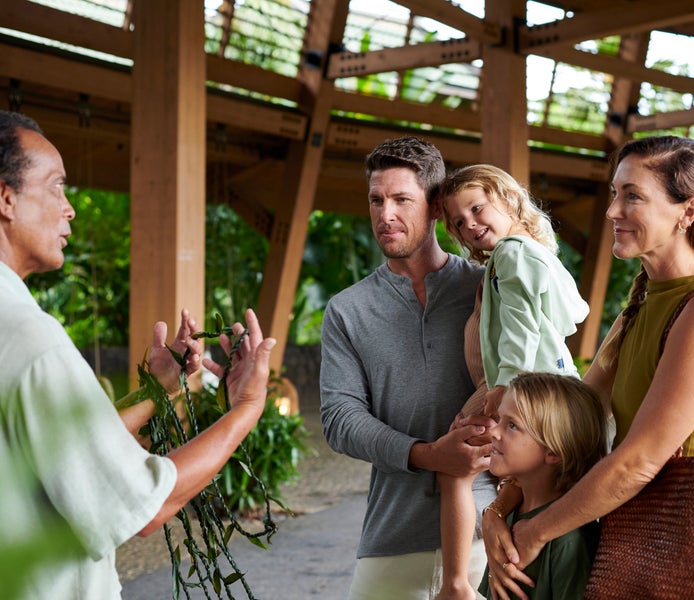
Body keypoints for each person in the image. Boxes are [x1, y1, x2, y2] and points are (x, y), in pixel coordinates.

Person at [0, 109, 276, 600]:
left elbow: (63, 449)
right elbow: (146, 506)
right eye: (56, 187)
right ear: (5, 198)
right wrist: (247, 409)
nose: (70, 209)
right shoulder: (32, 340)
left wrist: (160, 389)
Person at [481, 135, 694, 600]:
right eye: (614, 193)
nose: (612, 211)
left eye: (633, 196)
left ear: (688, 211)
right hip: (635, 536)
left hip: (686, 550)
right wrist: (497, 511)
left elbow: (640, 461)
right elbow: (572, 419)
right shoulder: (643, 298)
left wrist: (536, 531)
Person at [319, 137, 497, 599]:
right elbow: (340, 420)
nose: (385, 214)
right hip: (391, 541)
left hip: (492, 533)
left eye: (401, 199)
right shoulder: (347, 310)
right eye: (376, 200)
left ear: (436, 206)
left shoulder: (488, 288)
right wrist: (427, 454)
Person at [436, 164, 589, 599]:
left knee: (454, 460)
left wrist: (505, 386)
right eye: (459, 222)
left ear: (510, 199)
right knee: (526, 475)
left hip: (519, 382)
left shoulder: (511, 254)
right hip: (539, 381)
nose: (470, 224)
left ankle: (457, 584)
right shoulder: (533, 252)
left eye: (478, 208)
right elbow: (574, 313)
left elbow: (521, 323)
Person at [478, 372, 607, 599]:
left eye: (512, 426)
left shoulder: (571, 541)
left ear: (553, 451)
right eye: (499, 420)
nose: (494, 431)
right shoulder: (506, 518)